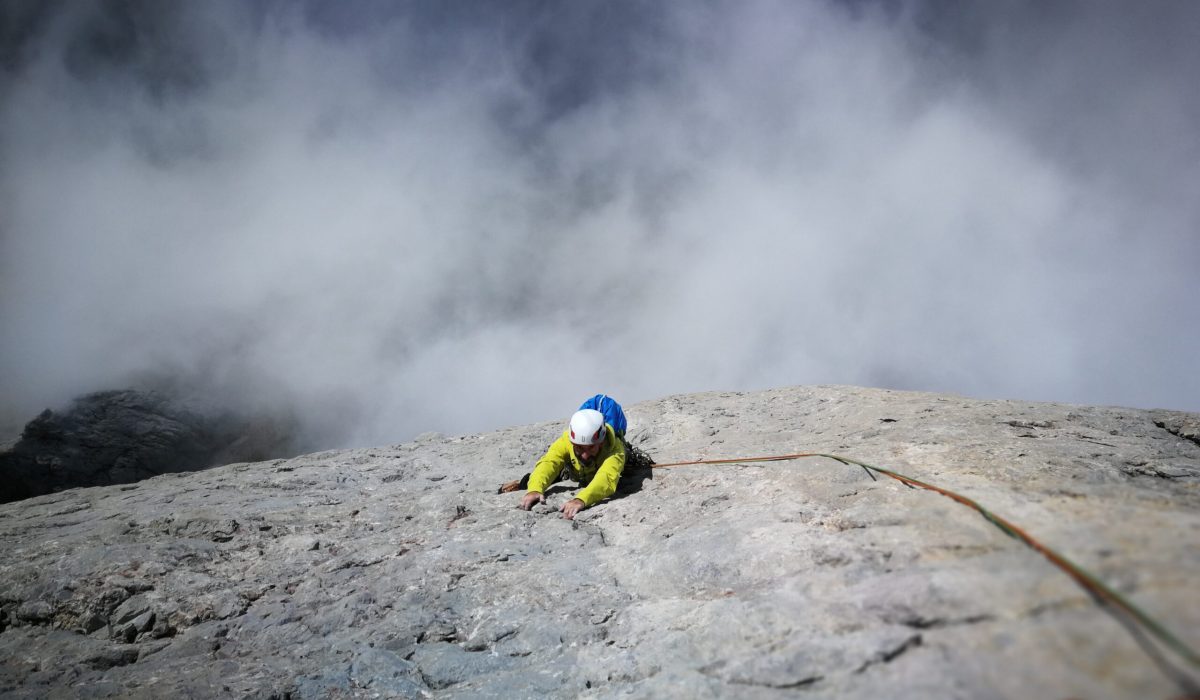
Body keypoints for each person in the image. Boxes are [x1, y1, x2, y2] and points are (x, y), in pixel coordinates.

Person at [516, 407, 627, 520]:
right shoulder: (566, 440)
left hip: (583, 473)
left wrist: (581, 500)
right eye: (579, 448)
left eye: (591, 447)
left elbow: (607, 478)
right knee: (528, 480)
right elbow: (550, 462)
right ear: (572, 442)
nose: (585, 455)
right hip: (573, 472)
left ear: (602, 442)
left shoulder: (615, 449)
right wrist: (534, 489)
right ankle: (516, 484)